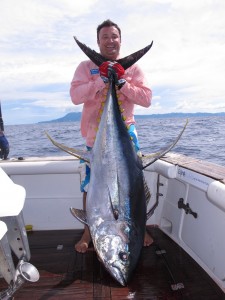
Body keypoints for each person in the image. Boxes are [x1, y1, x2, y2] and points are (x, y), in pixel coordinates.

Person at [70, 19, 153, 253]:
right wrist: (101, 80)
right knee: (90, 186)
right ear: (98, 42)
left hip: (126, 135)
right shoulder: (85, 67)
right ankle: (88, 231)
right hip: (94, 138)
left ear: (120, 40)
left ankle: (139, 225)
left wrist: (123, 82)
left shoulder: (133, 69)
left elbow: (146, 99)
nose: (110, 41)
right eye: (105, 37)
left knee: (134, 185)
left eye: (114, 36)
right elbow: (75, 96)